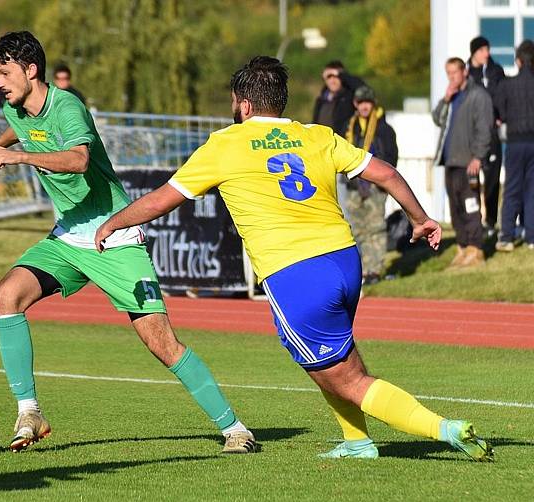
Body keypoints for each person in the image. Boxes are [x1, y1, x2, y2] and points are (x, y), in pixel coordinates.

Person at [96, 56, 493, 462]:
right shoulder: (318, 135)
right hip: (343, 260)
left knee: (347, 377)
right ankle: (357, 441)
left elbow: (163, 199)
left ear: (244, 105)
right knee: (332, 360)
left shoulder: (224, 145)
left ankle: (445, 429)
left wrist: (114, 223)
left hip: (296, 273)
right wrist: (420, 218)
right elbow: (387, 174)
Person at [0, 31, 257, 454]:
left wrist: (19, 156)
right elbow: (17, 129)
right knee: (6, 295)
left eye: (4, 73)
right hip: (67, 237)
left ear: (31, 70)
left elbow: (79, 160)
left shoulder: (67, 106)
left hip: (112, 236)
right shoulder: (17, 109)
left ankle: (235, 429)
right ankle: (29, 411)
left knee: (161, 342)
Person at [432, 57, 494, 268]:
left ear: (464, 72)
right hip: (451, 161)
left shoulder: (478, 95)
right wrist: (446, 99)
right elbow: (437, 119)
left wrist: (478, 156)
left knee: (471, 206)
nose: (451, 77)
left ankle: (476, 249)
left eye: (455, 73)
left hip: (469, 162)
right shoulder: (453, 97)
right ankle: (462, 247)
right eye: (448, 73)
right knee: (455, 208)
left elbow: (485, 129)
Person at [344, 85, 398, 284]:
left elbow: (391, 157)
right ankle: (361, 270)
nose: (364, 106)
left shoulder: (384, 129)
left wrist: (384, 183)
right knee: (357, 229)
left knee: (375, 227)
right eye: (361, 102)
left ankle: (374, 270)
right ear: (355, 104)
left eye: (368, 102)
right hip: (354, 186)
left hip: (375, 186)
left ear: (373, 104)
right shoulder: (350, 127)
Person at [494, 40, 534, 252]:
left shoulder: (506, 85)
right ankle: (532, 238)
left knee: (512, 189)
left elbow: (499, 113)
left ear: (518, 61)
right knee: (532, 190)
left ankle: (507, 236)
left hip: (516, 142)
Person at [468, 36, 506, 235]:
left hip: (491, 134)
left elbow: (503, 94)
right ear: (474, 52)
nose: (486, 54)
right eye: (482, 50)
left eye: (487, 49)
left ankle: (490, 222)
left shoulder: (495, 71)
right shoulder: (466, 73)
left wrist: (500, 115)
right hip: (471, 136)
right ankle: (474, 221)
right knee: (471, 181)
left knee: (492, 178)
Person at [312, 60, 363, 135]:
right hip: (323, 143)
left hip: (344, 143)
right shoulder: (321, 100)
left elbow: (363, 89)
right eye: (329, 77)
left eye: (336, 77)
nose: (332, 81)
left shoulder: (349, 96)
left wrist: (342, 74)